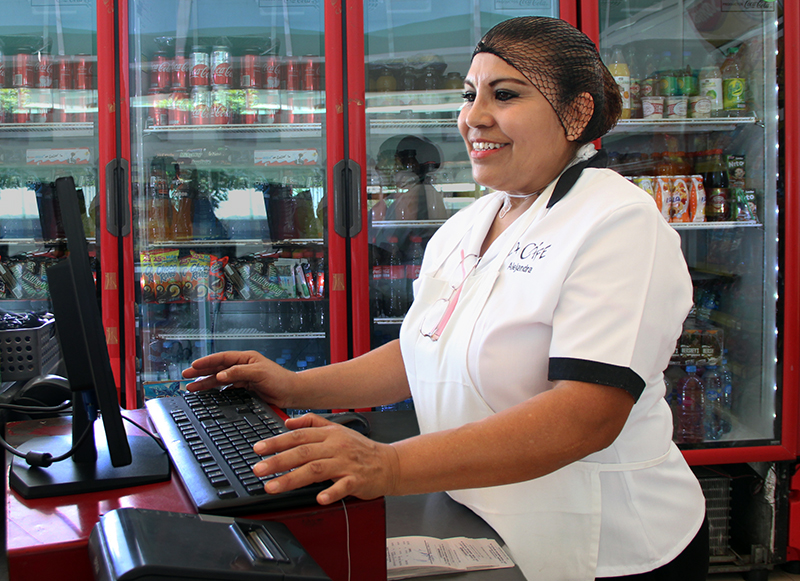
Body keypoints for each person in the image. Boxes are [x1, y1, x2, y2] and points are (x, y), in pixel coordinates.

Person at [183, 16, 708, 581]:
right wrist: (294, 384)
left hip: (609, 546)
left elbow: (586, 417)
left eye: (505, 95)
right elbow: (426, 348)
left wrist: (389, 464)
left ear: (577, 113)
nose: (474, 117)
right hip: (477, 515)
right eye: (469, 94)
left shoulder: (618, 222)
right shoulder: (471, 222)